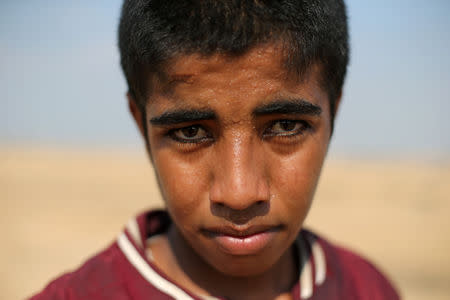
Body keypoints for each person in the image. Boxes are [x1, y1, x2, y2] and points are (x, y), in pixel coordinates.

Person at [31, 0, 400, 299]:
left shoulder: (367, 288)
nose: (239, 194)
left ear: (333, 113)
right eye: (190, 132)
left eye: (286, 126)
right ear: (140, 123)